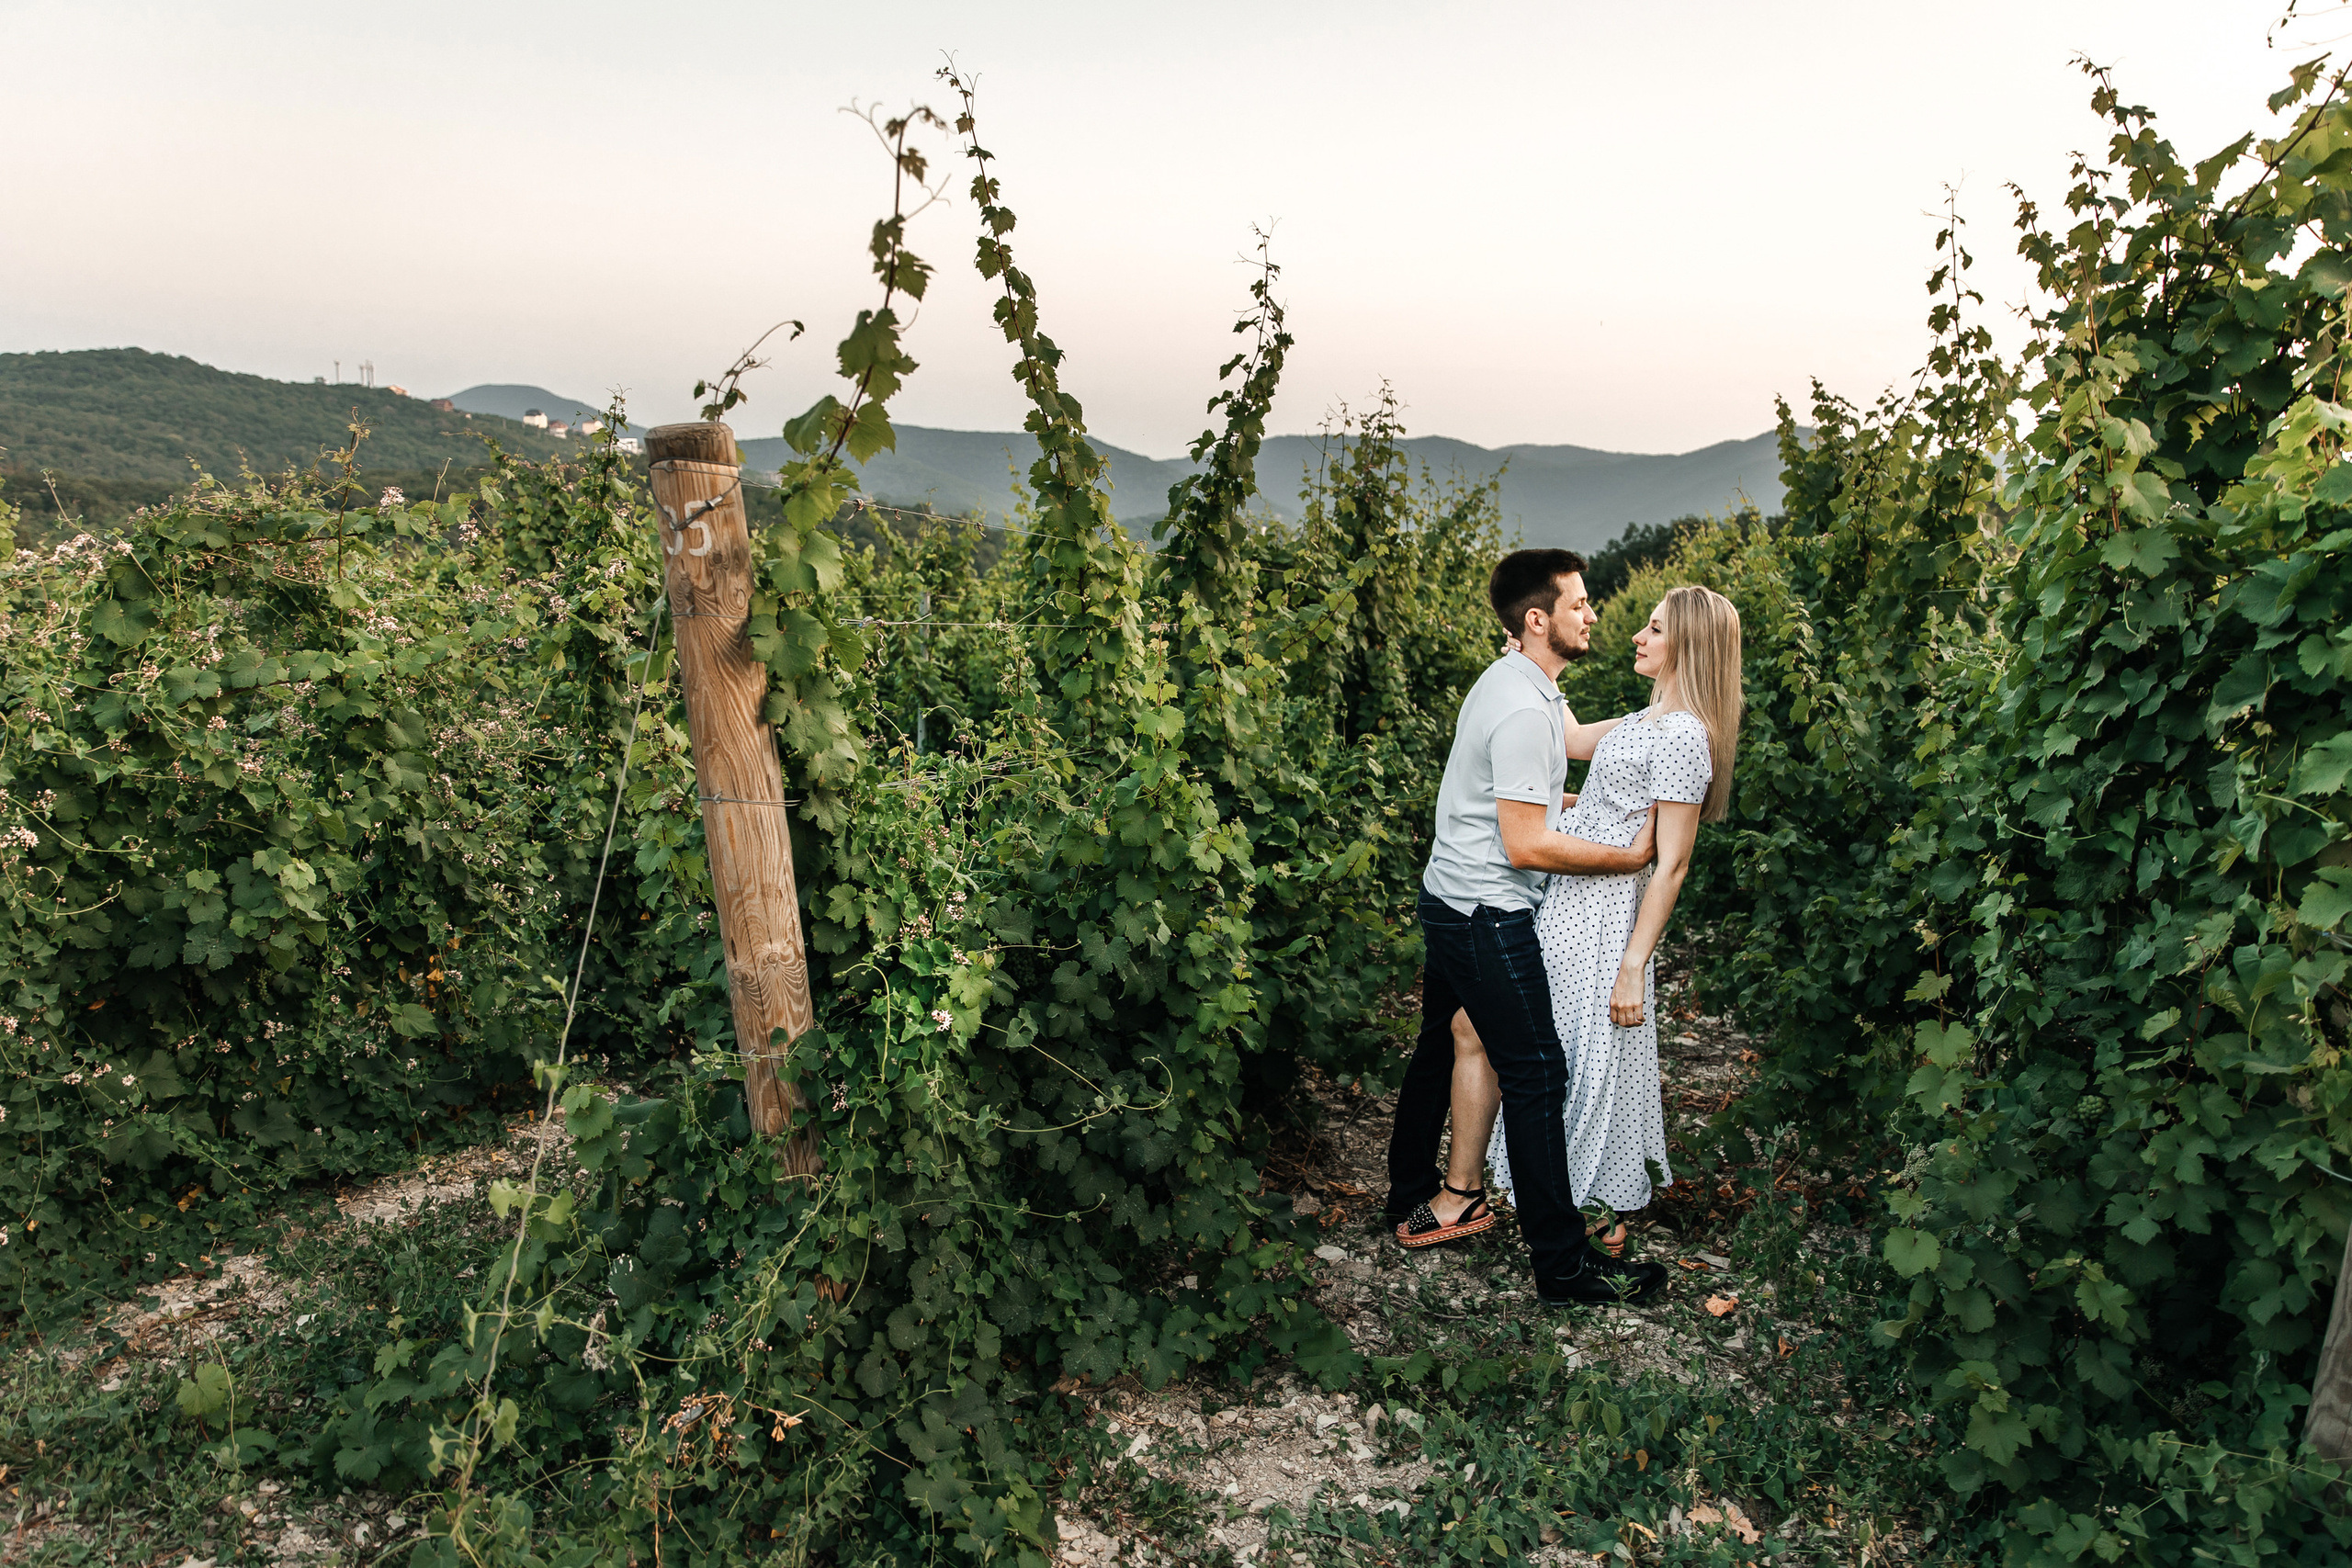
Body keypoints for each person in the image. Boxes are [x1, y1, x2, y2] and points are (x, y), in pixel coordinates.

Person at [1383, 548, 1671, 1306]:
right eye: (1579, 603)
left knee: (1440, 1045)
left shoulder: (1523, 681)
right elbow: (1526, 842)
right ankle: (1562, 1265)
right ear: (1538, 619)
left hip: (1449, 895)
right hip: (1484, 909)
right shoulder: (1519, 708)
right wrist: (1627, 856)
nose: (1593, 614)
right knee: (1538, 1071)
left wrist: (1661, 718)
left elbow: (1562, 760)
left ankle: (1415, 1194)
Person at [1467, 584, 1744, 1258]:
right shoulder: (1645, 720)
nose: (1638, 637)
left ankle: (1594, 1214)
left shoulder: (1685, 736)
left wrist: (1633, 965)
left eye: (1655, 628)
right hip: (1567, 899)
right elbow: (1568, 740)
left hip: (1604, 917)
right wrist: (1531, 659)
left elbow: (1672, 864)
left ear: (1690, 645)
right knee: (1556, 1048)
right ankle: (1559, 1201)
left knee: (1586, 1056)